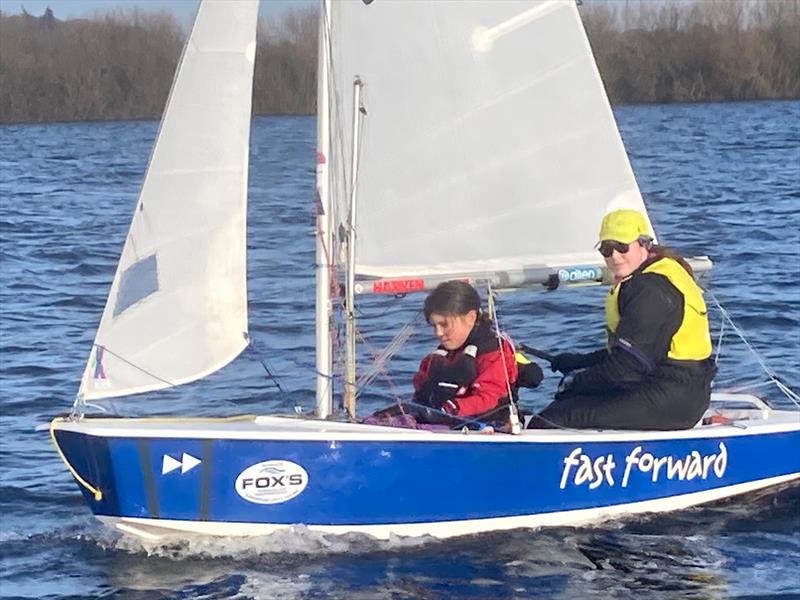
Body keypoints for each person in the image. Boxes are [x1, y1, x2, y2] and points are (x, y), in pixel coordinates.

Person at [528, 208, 716, 430]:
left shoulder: (650, 289)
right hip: (677, 390)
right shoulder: (656, 274)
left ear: (644, 244)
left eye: (622, 247)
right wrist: (578, 362)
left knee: (553, 419)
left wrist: (577, 382)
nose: (615, 256)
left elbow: (628, 367)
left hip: (671, 398)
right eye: (607, 249)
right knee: (566, 404)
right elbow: (631, 354)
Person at [367, 280, 541, 429]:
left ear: (470, 318)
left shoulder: (494, 353)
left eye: (444, 324)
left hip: (485, 424)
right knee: (383, 418)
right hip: (442, 420)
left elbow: (488, 397)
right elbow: (421, 385)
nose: (438, 333)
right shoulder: (441, 355)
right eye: (433, 326)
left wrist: (449, 409)